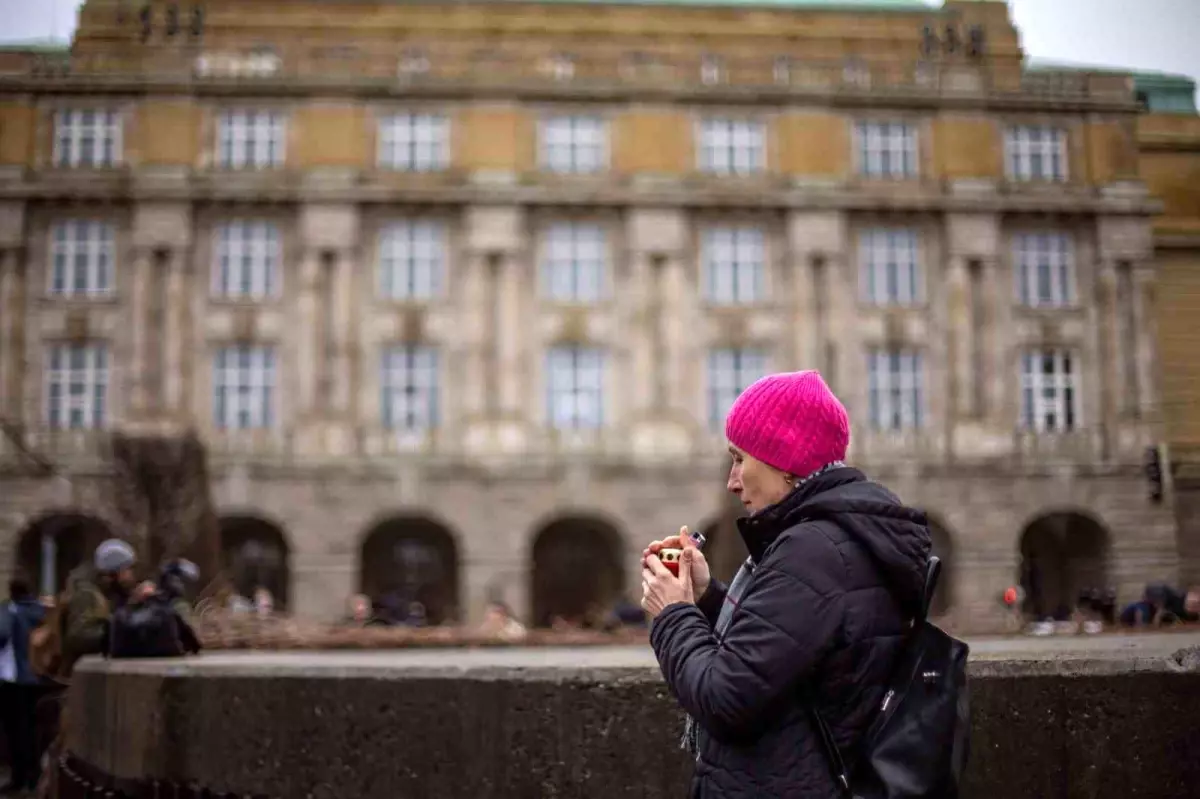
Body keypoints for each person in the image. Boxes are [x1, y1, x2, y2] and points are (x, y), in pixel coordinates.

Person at [642, 370, 931, 798]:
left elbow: (726, 697)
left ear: (785, 459)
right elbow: (784, 646)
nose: (732, 480)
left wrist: (672, 614)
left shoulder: (812, 551)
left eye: (740, 459)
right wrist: (705, 597)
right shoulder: (837, 536)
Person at [1, 575, 49, 794]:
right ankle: (35, 779)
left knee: (15, 731)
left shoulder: (10, 610)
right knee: (35, 730)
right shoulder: (41, 609)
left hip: (15, 678)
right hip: (38, 677)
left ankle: (19, 779)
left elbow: (2, 635)